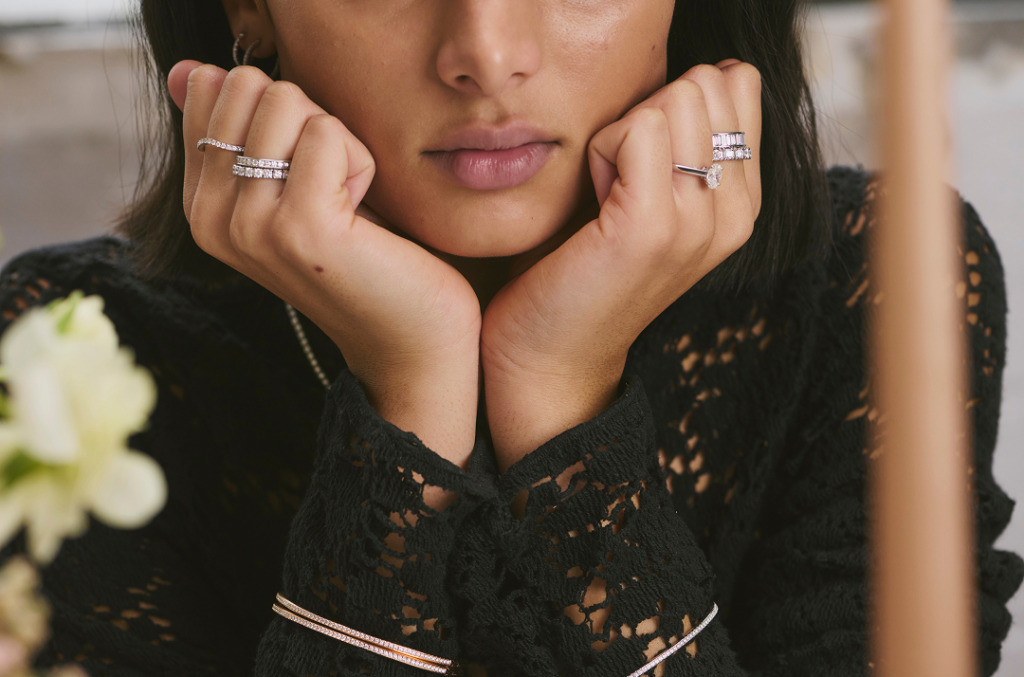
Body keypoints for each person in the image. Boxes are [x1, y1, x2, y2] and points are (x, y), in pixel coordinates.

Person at [0, 0, 1020, 674]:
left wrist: (562, 396)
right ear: (247, 6)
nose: (485, 55)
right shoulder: (61, 364)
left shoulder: (873, 277)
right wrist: (407, 409)